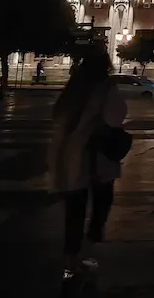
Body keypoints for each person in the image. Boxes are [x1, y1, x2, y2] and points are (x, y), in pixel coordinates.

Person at [49, 47, 127, 281]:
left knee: (74, 210)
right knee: (101, 204)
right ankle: (87, 251)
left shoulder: (72, 89)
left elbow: (57, 114)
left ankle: (69, 262)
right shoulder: (105, 89)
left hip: (69, 154)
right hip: (96, 156)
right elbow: (116, 117)